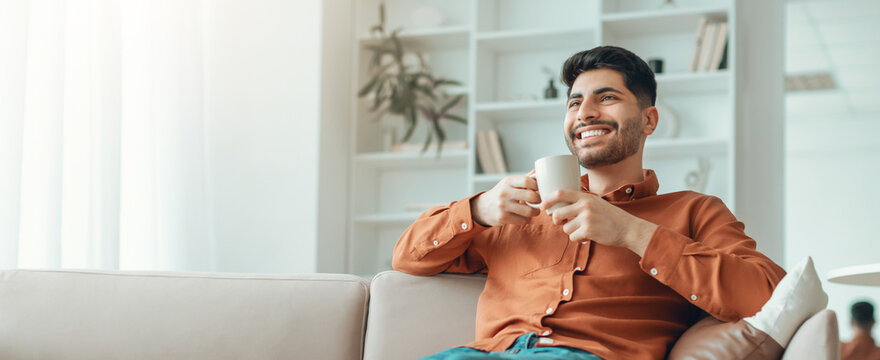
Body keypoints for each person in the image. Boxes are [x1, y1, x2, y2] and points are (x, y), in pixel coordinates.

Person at [392, 46, 786, 360]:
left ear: (649, 120)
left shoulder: (694, 211)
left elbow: (766, 295)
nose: (585, 113)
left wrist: (631, 232)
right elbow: (408, 257)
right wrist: (476, 210)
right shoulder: (519, 209)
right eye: (574, 102)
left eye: (606, 97)